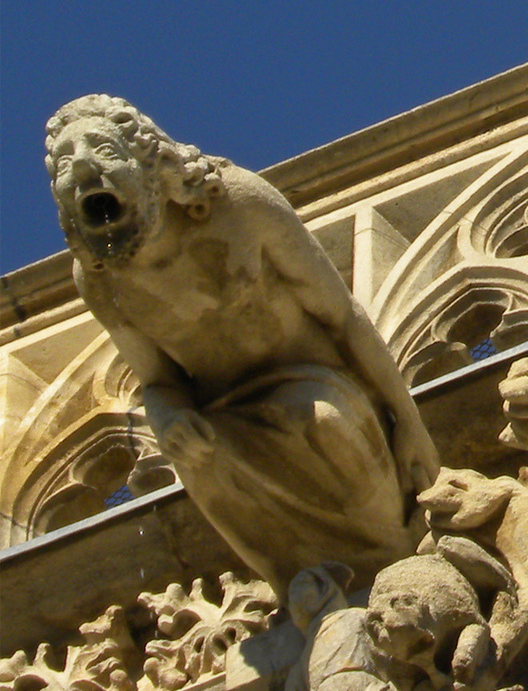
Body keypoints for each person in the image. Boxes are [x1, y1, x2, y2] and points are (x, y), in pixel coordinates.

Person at [47, 95, 439, 597]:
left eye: (102, 148)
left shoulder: (237, 202)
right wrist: (167, 419)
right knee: (195, 457)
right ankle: (302, 589)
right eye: (65, 164)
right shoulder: (98, 277)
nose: (81, 165)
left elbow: (342, 318)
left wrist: (408, 422)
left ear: (148, 161)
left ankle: (402, 568)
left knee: (318, 421)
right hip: (221, 415)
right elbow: (159, 381)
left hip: (313, 383)